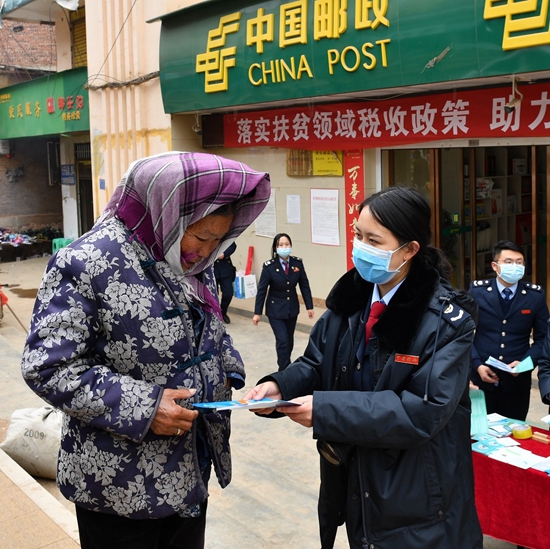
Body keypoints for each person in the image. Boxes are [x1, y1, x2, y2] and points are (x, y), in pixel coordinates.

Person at [21, 152, 270, 549]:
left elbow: (209, 329)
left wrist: (227, 371)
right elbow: (49, 367)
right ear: (166, 213)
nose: (206, 252)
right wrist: (146, 406)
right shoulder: (85, 263)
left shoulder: (179, 255)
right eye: (200, 237)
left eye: (217, 240)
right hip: (119, 487)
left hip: (189, 470)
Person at [245, 186, 483, 549]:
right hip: (357, 481)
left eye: (374, 239)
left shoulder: (446, 323)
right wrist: (280, 386)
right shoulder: (351, 298)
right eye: (358, 234)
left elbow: (421, 410)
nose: (361, 246)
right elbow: (316, 361)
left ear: (410, 250)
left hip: (419, 501)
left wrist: (326, 410)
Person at [469, 240, 548, 421]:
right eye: (509, 262)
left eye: (519, 262)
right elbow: (463, 334)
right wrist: (476, 364)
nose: (515, 266)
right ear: (495, 266)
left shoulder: (535, 296)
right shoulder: (478, 292)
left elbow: (543, 338)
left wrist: (526, 363)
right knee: (478, 434)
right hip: (481, 381)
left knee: (514, 435)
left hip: (517, 385)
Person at [252, 233, 314, 370]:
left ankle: (286, 365)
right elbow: (262, 290)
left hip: (291, 308)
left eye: (287, 244)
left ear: (291, 246)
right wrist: (257, 312)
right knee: (282, 340)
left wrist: (309, 306)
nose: (284, 247)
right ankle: (284, 370)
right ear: (275, 248)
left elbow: (304, 285)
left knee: (289, 340)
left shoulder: (297, 264)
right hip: (275, 310)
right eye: (281, 245)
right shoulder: (269, 267)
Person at [214, 241, 236, 324]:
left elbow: (232, 245)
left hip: (225, 268)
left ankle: (223, 313)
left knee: (228, 293)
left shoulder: (225, 231)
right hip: (211, 269)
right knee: (213, 295)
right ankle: (214, 315)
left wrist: (224, 254)